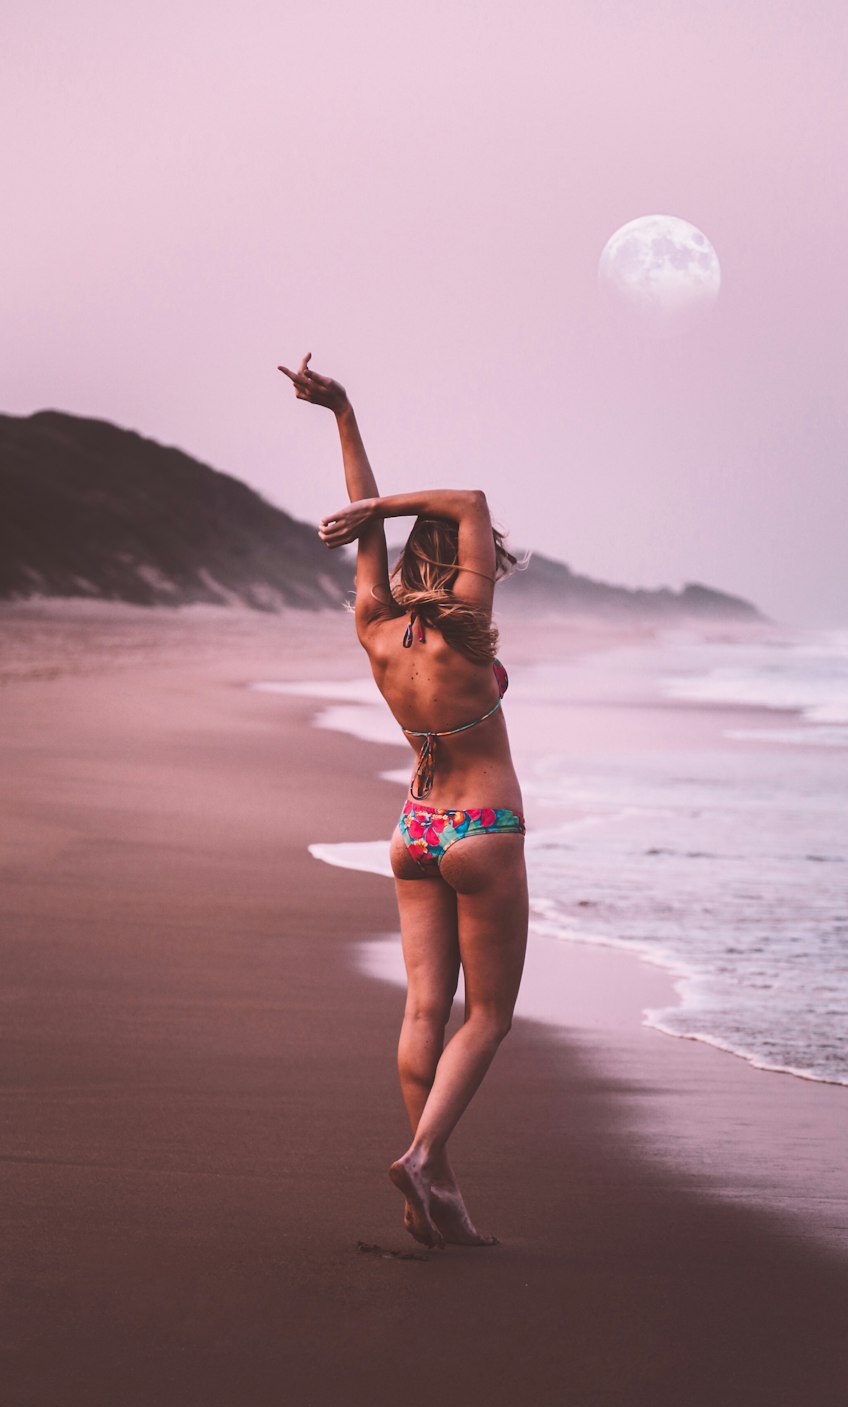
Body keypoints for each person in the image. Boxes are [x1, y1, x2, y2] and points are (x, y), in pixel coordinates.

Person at [279, 352, 529, 1249]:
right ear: (465, 566)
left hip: (415, 829)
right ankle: (424, 1159)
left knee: (424, 1011)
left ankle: (438, 1189)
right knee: (489, 1017)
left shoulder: (376, 627)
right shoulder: (465, 626)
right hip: (482, 831)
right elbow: (467, 498)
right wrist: (379, 505)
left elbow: (372, 540)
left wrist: (341, 412)